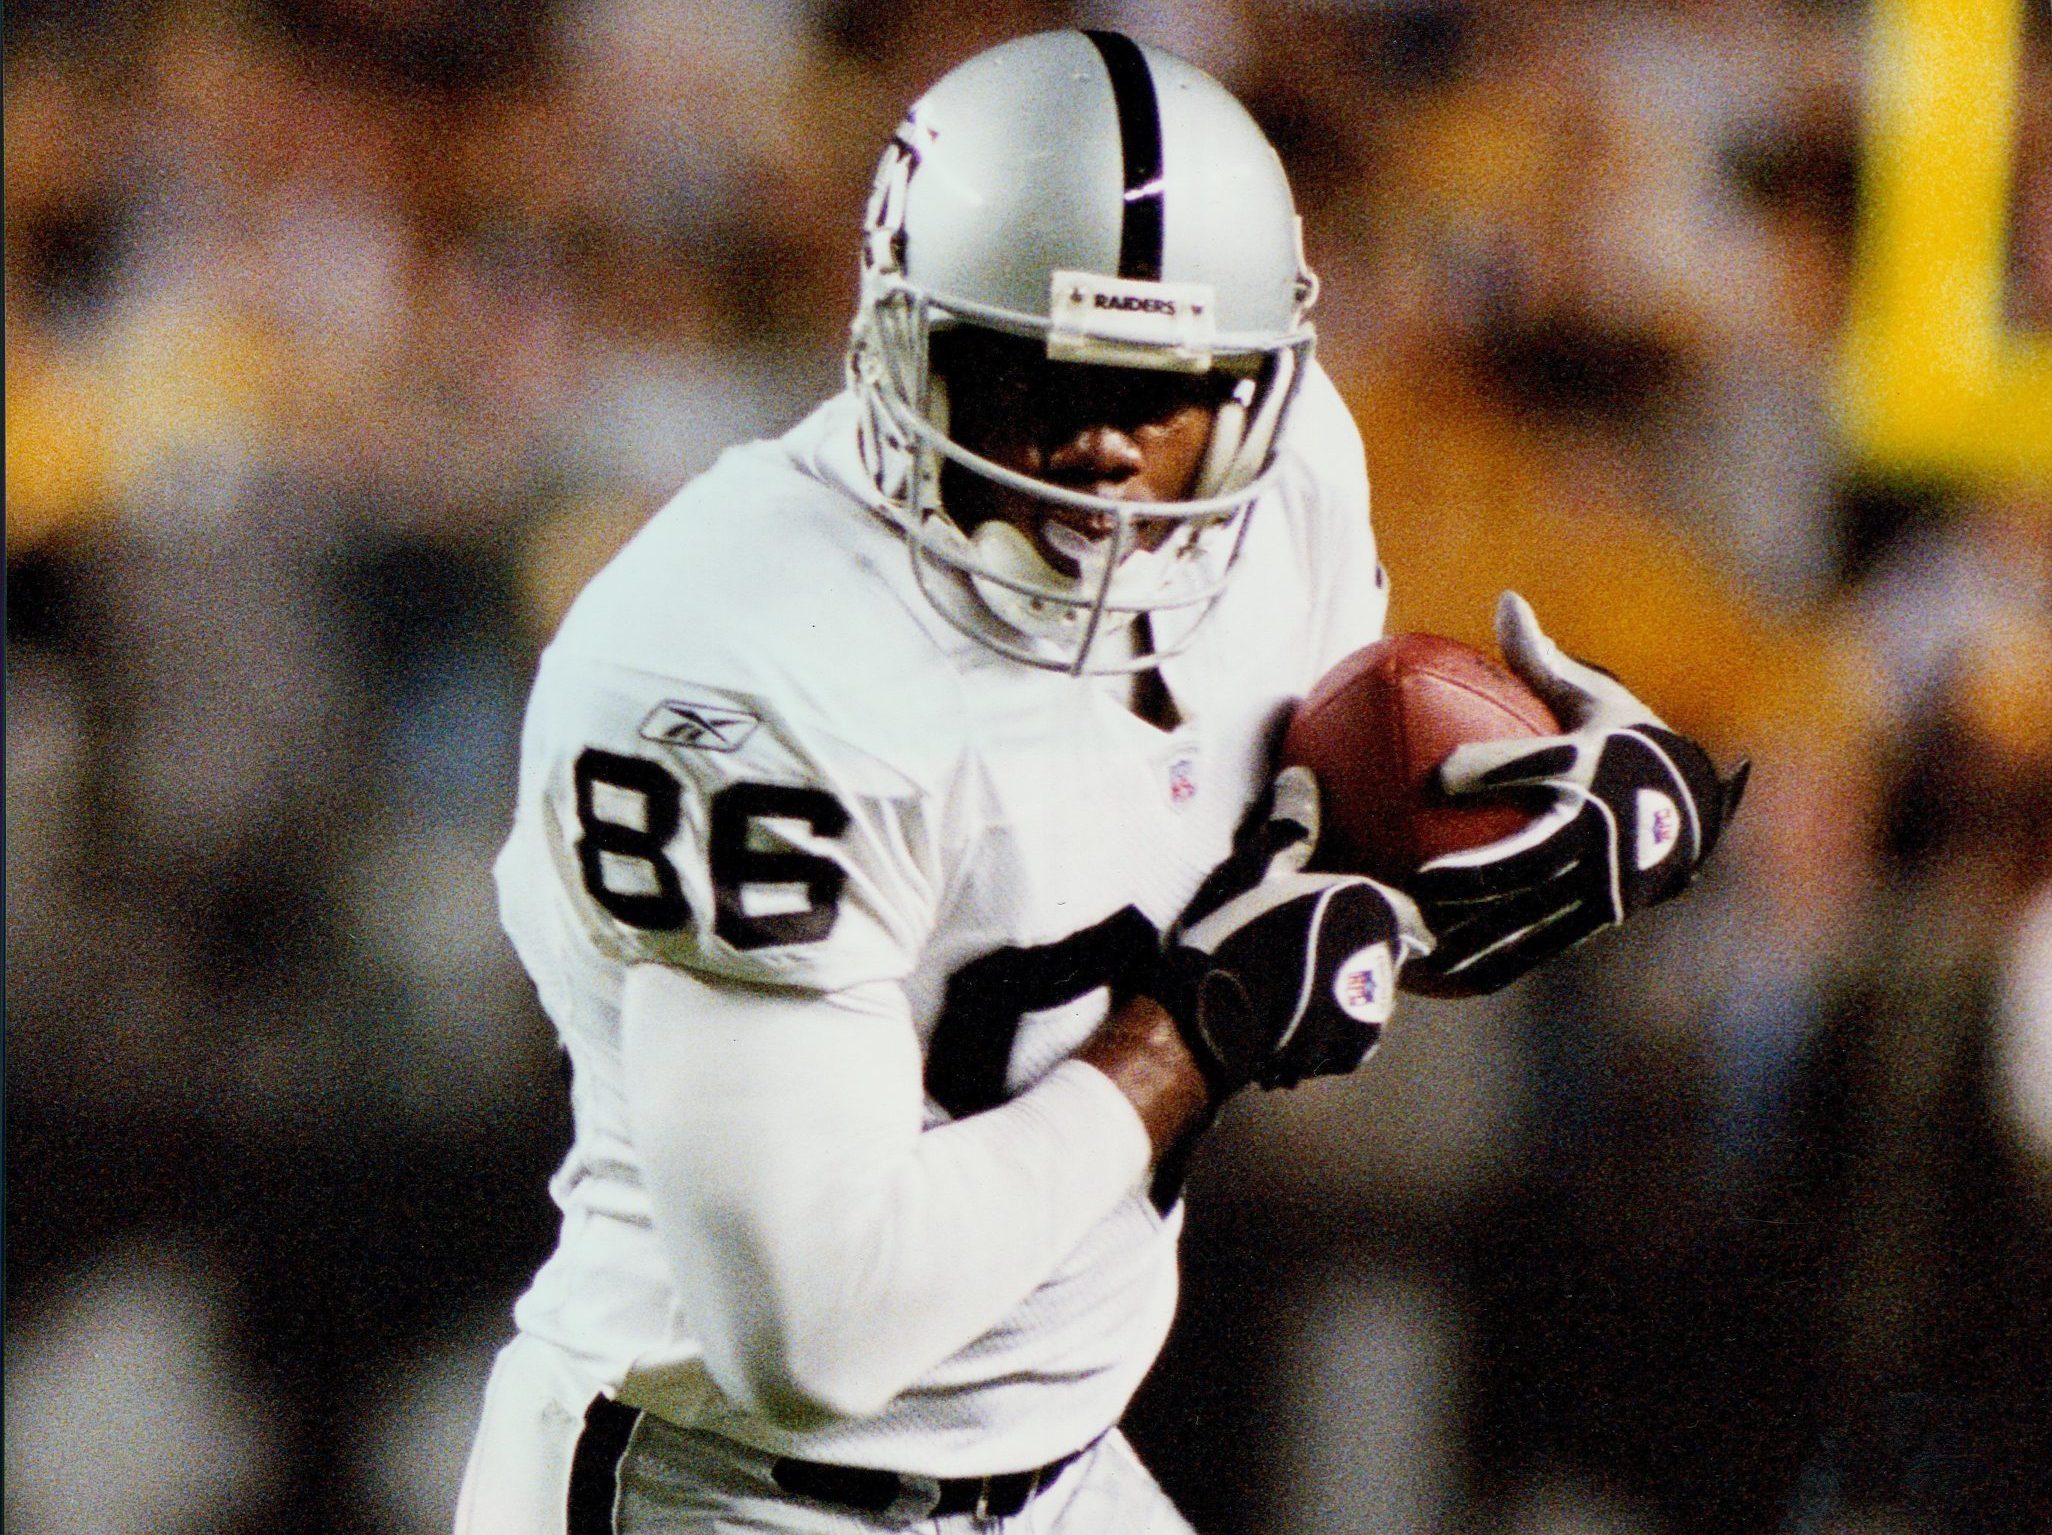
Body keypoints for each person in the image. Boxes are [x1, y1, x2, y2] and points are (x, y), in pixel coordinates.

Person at [454, 30, 1743, 1534]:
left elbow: (1281, 890)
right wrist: (1193, 1038)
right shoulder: (740, 662)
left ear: (1259, 382)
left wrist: (1528, 832)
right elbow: (815, 1337)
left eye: (1165, 391)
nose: (1104, 452)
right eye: (1030, 376)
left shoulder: (1292, 486)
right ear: (896, 348)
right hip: (732, 1491)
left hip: (1065, 1472)